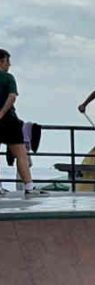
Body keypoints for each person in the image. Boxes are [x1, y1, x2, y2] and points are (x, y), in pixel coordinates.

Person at [0, 49, 43, 197]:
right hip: (9, 120)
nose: (9, 65)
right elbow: (12, 96)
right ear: (1, 62)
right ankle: (29, 187)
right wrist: (2, 112)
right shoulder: (8, 78)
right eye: (7, 61)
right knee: (21, 153)